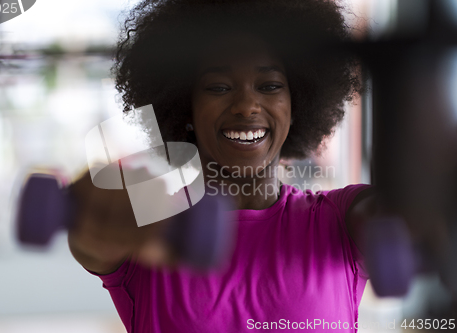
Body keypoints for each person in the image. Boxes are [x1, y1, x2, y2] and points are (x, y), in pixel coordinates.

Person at [68, 0, 379, 332]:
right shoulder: (152, 227)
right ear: (186, 107)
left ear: (296, 104)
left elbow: (392, 215)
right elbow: (89, 237)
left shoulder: (338, 222)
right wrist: (92, 208)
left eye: (270, 86)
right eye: (219, 87)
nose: (246, 106)